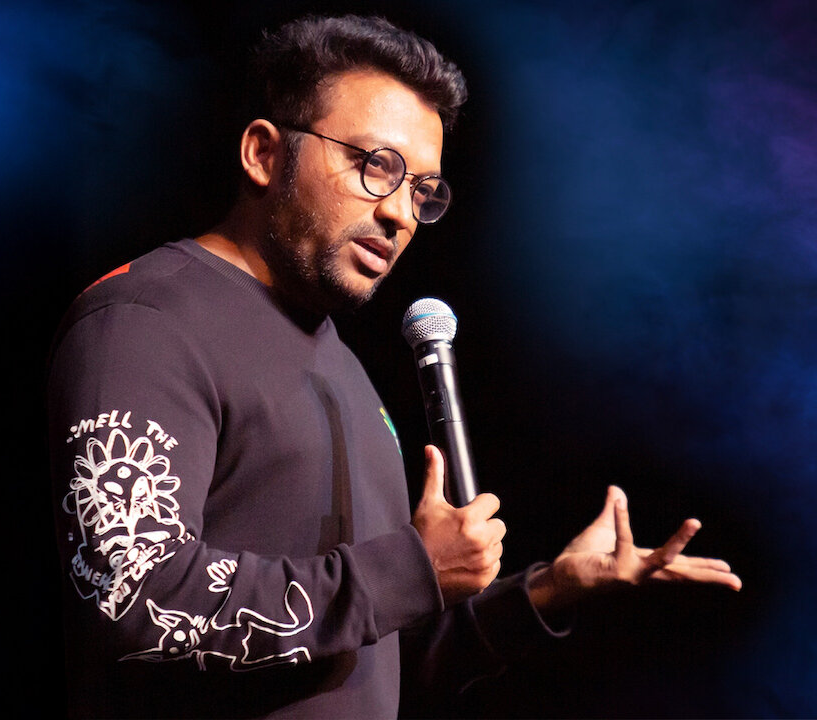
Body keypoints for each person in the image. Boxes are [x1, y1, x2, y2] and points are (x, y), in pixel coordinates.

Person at [46, 14, 741, 718]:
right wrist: (410, 570)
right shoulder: (147, 319)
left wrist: (548, 591)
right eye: (376, 166)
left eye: (422, 190)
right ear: (263, 153)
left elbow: (367, 660)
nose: (402, 214)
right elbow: (133, 598)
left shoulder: (346, 372)